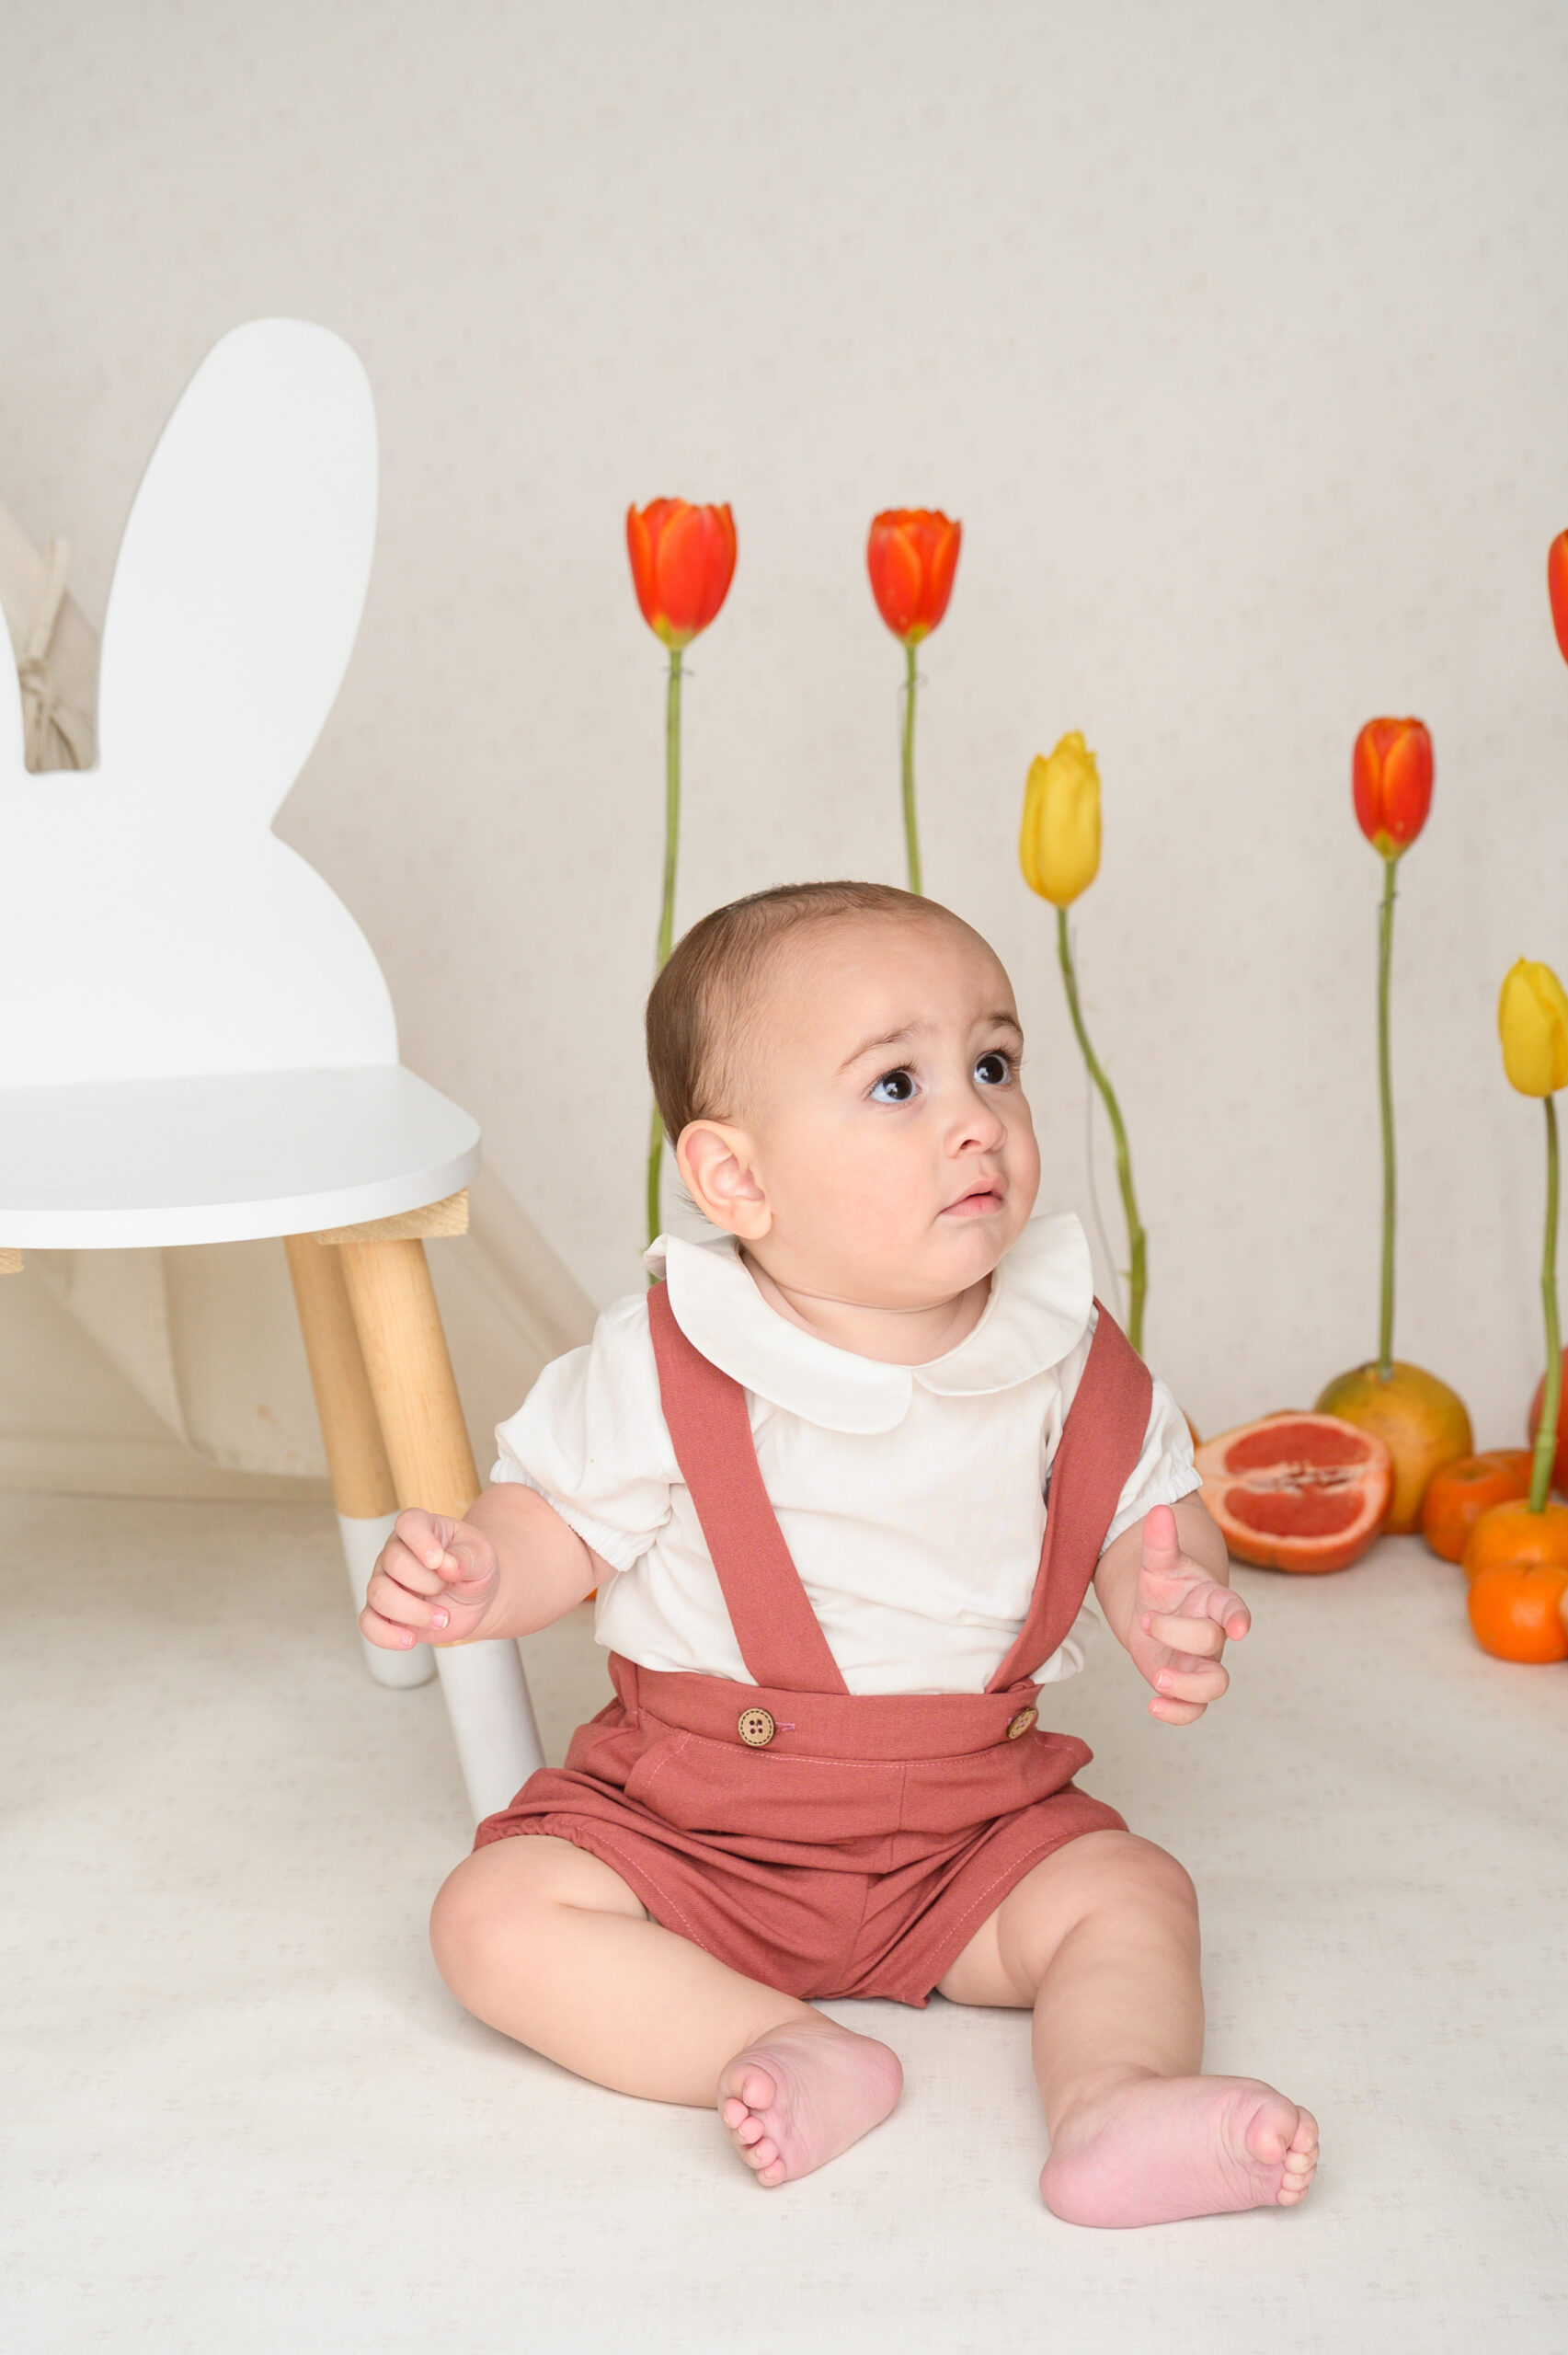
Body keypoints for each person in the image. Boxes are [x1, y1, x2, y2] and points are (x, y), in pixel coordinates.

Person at [361, 881, 1318, 2225]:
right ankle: (771, 2043)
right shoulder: (666, 1356)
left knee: (1130, 1892)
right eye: (897, 1086)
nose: (974, 1118)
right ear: (737, 1179)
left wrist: (1169, 1593)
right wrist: (480, 1571)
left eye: (993, 1066)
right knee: (493, 1917)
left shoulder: (1063, 1350)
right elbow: (558, 1523)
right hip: (692, 1832)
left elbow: (1137, 1510)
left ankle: (1116, 2100)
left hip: (970, 1837)